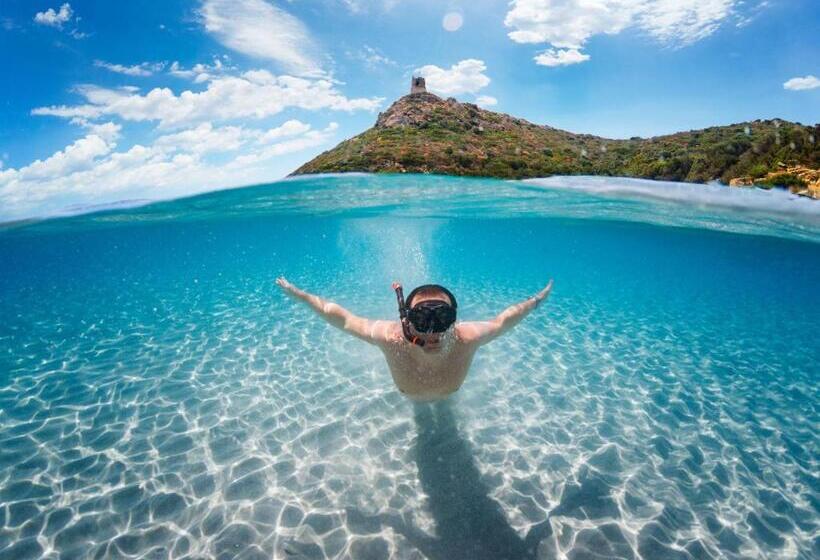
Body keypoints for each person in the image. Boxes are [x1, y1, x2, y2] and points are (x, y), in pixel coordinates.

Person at [276, 277, 553, 401]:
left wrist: (538, 300)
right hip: (413, 400)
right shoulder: (390, 338)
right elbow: (345, 319)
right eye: (422, 319)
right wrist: (300, 296)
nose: (432, 331)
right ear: (406, 319)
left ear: (454, 318)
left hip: (447, 399)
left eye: (441, 318)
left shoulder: (467, 338)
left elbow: (504, 320)